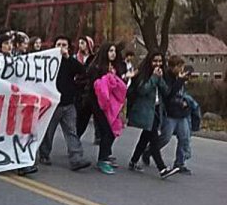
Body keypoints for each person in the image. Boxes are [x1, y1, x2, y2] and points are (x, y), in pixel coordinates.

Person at [37, 36, 91, 171]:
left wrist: (68, 57)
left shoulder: (69, 62)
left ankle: (76, 158)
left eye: (64, 45)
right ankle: (44, 153)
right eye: (58, 44)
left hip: (68, 103)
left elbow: (82, 70)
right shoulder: (48, 61)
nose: (61, 47)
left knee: (71, 132)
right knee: (49, 132)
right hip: (53, 104)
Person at [126, 52, 180, 179]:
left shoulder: (161, 74)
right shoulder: (142, 74)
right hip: (145, 110)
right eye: (155, 61)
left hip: (156, 110)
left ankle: (133, 161)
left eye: (160, 61)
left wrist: (160, 79)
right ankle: (162, 168)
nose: (158, 64)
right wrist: (154, 78)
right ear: (149, 62)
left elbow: (166, 92)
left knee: (145, 137)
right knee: (153, 139)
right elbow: (142, 90)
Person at [86, 42, 127, 175]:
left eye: (114, 51)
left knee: (113, 130)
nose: (113, 54)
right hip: (97, 104)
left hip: (111, 104)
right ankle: (102, 159)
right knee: (107, 132)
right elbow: (96, 86)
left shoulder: (115, 67)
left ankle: (106, 155)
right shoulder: (96, 67)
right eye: (110, 51)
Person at [151, 55, 192, 174]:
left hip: (181, 113)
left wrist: (184, 102)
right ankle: (151, 150)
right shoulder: (167, 77)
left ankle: (180, 162)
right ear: (173, 67)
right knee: (165, 138)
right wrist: (179, 81)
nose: (181, 69)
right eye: (179, 66)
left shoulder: (181, 78)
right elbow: (169, 94)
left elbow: (181, 93)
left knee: (184, 138)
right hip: (170, 113)